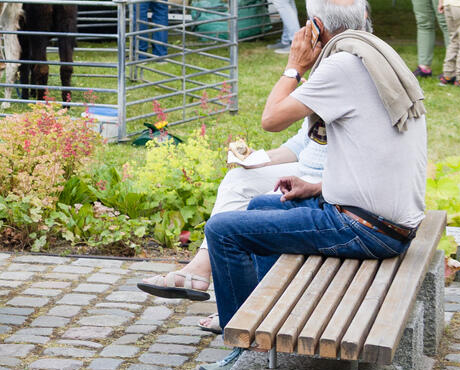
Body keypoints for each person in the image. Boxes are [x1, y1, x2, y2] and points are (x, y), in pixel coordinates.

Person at [194, 0, 426, 370]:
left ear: (316, 28)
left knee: (222, 230)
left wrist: (293, 65)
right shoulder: (378, 58)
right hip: (387, 219)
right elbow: (374, 157)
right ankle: (268, 317)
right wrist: (316, 187)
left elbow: (271, 119)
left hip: (365, 229)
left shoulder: (344, 67)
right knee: (261, 208)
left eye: (306, 25)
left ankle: (244, 347)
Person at [137, 119, 328, 330]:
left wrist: (291, 83)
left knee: (262, 204)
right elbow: (301, 144)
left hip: (330, 178)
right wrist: (257, 159)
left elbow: (270, 118)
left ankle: (242, 310)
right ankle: (200, 269)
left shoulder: (335, 89)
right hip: (309, 167)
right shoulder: (318, 90)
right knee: (238, 179)